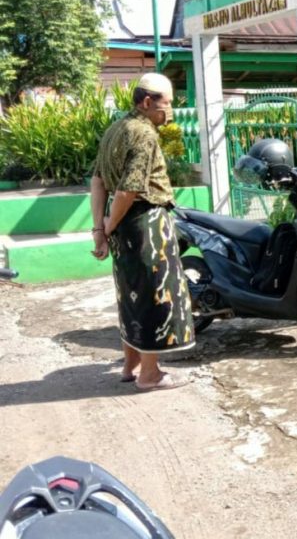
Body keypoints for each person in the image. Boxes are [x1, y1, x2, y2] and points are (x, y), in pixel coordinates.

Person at [90, 73, 195, 391]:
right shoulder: (144, 133)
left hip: (123, 227)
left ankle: (131, 363)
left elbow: (98, 181)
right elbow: (127, 191)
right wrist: (109, 226)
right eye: (168, 104)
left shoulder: (116, 129)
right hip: (146, 224)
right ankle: (150, 374)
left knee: (130, 295)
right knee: (154, 294)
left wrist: (101, 228)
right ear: (148, 102)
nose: (170, 111)